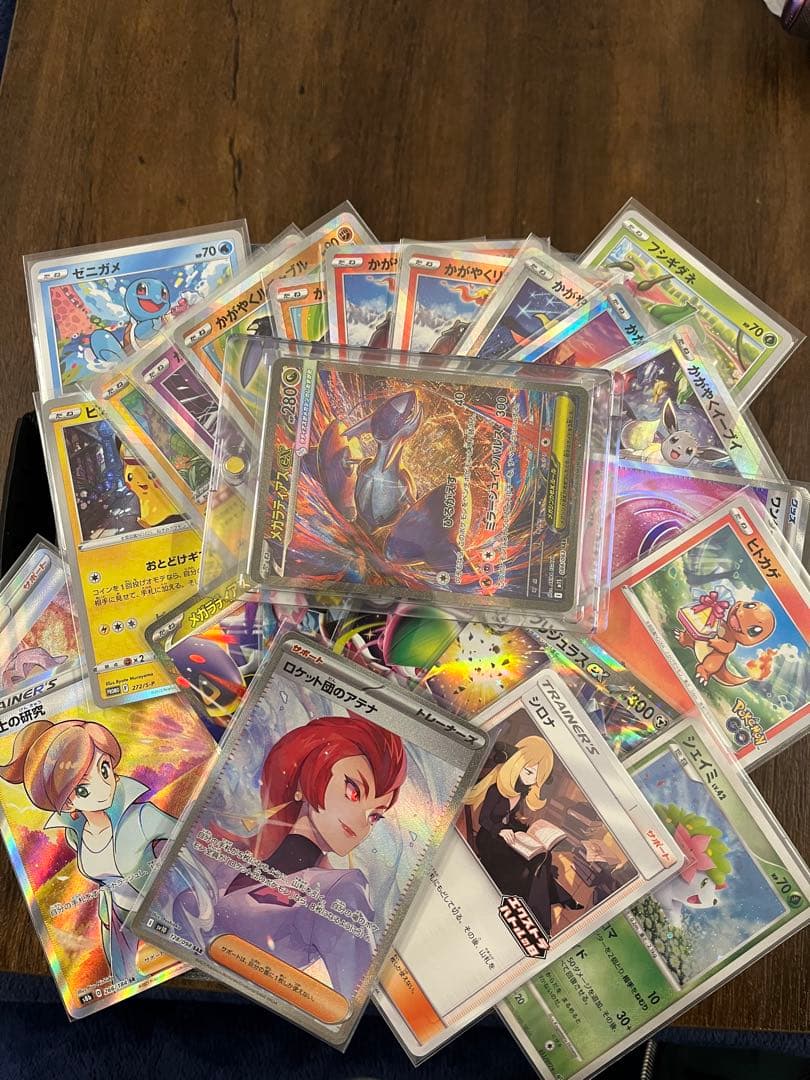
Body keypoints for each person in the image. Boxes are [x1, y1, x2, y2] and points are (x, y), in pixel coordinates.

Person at [204, 714, 407, 999]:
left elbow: (352, 997)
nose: (362, 822)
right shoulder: (238, 854)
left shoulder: (342, 890)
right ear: (309, 775)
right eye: (353, 791)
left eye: (374, 816)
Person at [0, 719, 177, 985]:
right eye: (82, 788)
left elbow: (190, 836)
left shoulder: (141, 817)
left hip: (164, 912)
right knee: (125, 979)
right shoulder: (76, 834)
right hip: (117, 921)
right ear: (66, 802)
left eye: (104, 768)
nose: (105, 786)